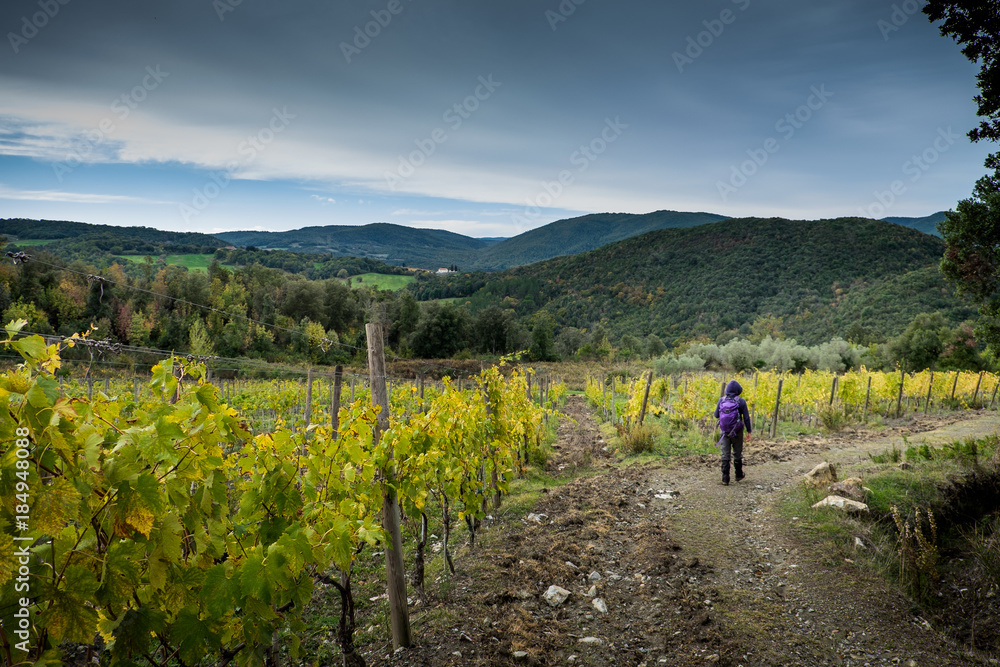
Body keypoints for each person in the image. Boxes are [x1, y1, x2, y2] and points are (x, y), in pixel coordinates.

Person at [714, 379, 751, 485]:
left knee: (725, 454)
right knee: (737, 453)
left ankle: (725, 478)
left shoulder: (721, 400)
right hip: (737, 431)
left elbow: (716, 415)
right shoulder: (741, 401)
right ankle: (738, 475)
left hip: (724, 431)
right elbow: (747, 418)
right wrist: (749, 431)